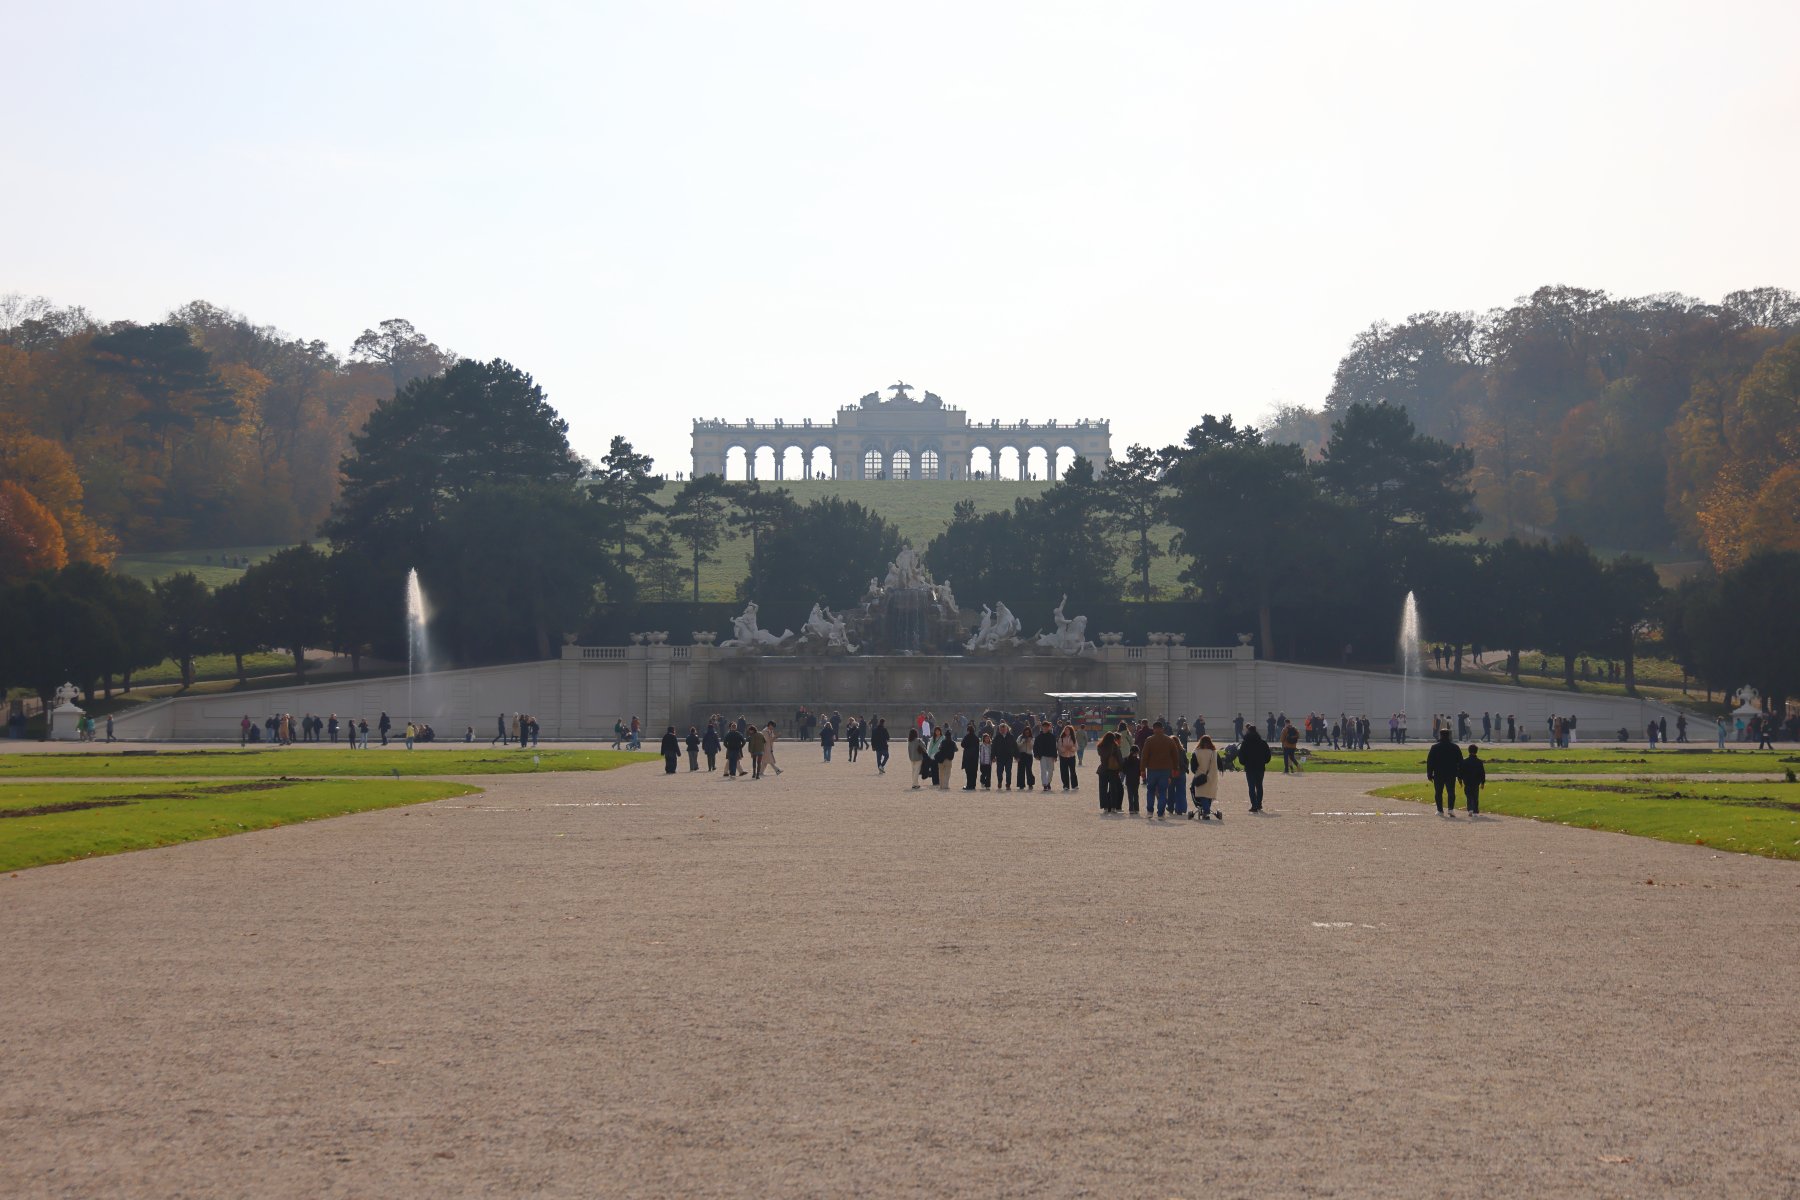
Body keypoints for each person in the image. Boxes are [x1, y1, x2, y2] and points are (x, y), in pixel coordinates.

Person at [1141, 720, 1181, 819]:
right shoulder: (1169, 740)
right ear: (1162, 729)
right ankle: (1161, 813)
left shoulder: (1149, 740)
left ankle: (1150, 811)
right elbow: (1175, 756)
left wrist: (1142, 770)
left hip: (1152, 770)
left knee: (1150, 790)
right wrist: (1175, 768)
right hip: (1165, 770)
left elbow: (1144, 756)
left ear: (1153, 729)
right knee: (1163, 791)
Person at [1426, 730, 1464, 815]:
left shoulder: (1435, 747)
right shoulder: (1455, 747)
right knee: (1451, 792)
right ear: (1449, 736)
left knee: (1438, 792)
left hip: (1438, 773)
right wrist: (1460, 774)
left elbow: (1430, 761)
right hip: (1451, 773)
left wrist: (1429, 773)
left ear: (1440, 735)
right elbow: (1460, 762)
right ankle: (1450, 809)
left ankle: (1440, 810)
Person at [1238, 726, 1271, 812]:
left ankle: (1254, 805)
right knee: (1259, 786)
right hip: (1260, 767)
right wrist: (1264, 761)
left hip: (1249, 767)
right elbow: (1268, 756)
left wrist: (1244, 762)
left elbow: (1241, 756)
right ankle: (1259, 804)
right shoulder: (1262, 742)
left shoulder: (1245, 743)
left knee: (1251, 787)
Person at [1189, 736, 1221, 820]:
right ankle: (1206, 809)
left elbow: (1193, 767)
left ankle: (1206, 811)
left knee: (1202, 795)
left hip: (1200, 776)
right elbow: (1220, 765)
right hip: (1212, 777)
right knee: (1209, 795)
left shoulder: (1196, 752)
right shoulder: (1214, 753)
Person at [1459, 745, 1486, 815]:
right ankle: (1475, 810)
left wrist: (1460, 781)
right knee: (1475, 796)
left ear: (1469, 751)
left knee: (1468, 795)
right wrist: (1482, 782)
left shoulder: (1465, 761)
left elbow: (1461, 772)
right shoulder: (1479, 762)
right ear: (1476, 751)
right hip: (1476, 782)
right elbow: (1482, 773)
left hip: (1467, 782)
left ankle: (1470, 809)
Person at [1033, 721, 1058, 793]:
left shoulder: (1052, 736)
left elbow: (1054, 747)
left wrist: (1055, 756)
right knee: (1043, 770)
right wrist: (1036, 755)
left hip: (1051, 756)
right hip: (1042, 756)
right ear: (1042, 727)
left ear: (1049, 727)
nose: (1045, 728)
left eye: (1047, 727)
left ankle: (1048, 782)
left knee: (1051, 771)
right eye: (1044, 727)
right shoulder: (1039, 737)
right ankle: (1045, 785)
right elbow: (1035, 747)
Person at [993, 722, 1015, 790]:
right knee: (999, 771)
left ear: (1007, 729)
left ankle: (1008, 784)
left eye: (1004, 729)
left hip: (1009, 757)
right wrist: (993, 757)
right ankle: (1000, 781)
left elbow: (1015, 747)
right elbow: (993, 748)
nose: (1002, 731)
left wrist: (1017, 756)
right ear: (999, 730)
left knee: (1008, 771)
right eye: (1001, 730)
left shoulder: (1011, 737)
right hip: (999, 757)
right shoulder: (996, 737)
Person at [961, 726, 980, 790]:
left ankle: (969, 785)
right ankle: (973, 785)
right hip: (974, 757)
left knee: (968, 772)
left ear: (968, 730)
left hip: (967, 757)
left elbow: (962, 744)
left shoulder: (966, 737)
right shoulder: (976, 738)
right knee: (974, 772)